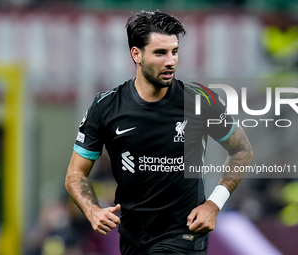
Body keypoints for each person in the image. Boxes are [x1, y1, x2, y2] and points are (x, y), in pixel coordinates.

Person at [65, 10, 253, 255]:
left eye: (174, 51)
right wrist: (92, 210)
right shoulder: (106, 107)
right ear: (137, 55)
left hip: (184, 234)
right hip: (133, 238)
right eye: (160, 53)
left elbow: (242, 150)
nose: (170, 61)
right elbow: (75, 173)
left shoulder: (200, 101)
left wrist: (214, 204)